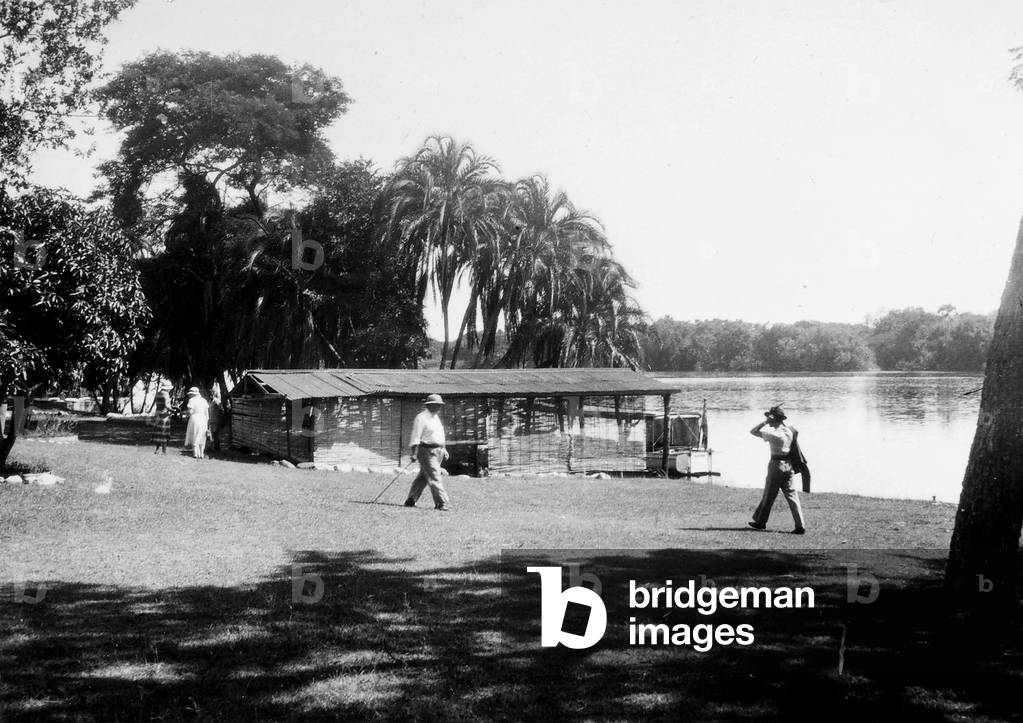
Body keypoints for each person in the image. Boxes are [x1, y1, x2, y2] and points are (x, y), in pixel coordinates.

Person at [748, 405, 806, 534]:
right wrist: (771, 419)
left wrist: (765, 422)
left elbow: (752, 431)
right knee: (792, 496)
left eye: (770, 418)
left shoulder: (773, 434)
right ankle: (800, 525)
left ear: (773, 419)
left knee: (769, 494)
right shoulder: (790, 431)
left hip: (776, 465)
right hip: (788, 465)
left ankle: (760, 522)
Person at [404, 393, 451, 511]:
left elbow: (440, 435)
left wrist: (444, 448)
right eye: (436, 405)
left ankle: (411, 499)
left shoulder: (436, 417)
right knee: (435, 475)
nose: (439, 407)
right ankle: (441, 503)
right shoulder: (421, 417)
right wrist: (414, 453)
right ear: (429, 405)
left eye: (440, 405)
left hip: (438, 450)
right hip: (425, 450)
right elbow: (416, 436)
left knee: (423, 477)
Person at [184, 387, 210, 460]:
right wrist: (207, 422)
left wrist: (186, 413)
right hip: (203, 418)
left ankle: (195, 453)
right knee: (202, 435)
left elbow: (190, 411)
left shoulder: (191, 400)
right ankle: (201, 453)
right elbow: (207, 414)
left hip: (195, 417)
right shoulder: (204, 401)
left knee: (194, 434)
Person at [151, 383, 173, 455]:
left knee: (158, 432)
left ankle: (157, 450)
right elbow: (167, 405)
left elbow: (156, 403)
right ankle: (164, 451)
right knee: (164, 432)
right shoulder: (166, 394)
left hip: (157, 413)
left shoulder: (158, 393)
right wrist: (173, 410)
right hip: (164, 415)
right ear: (167, 388)